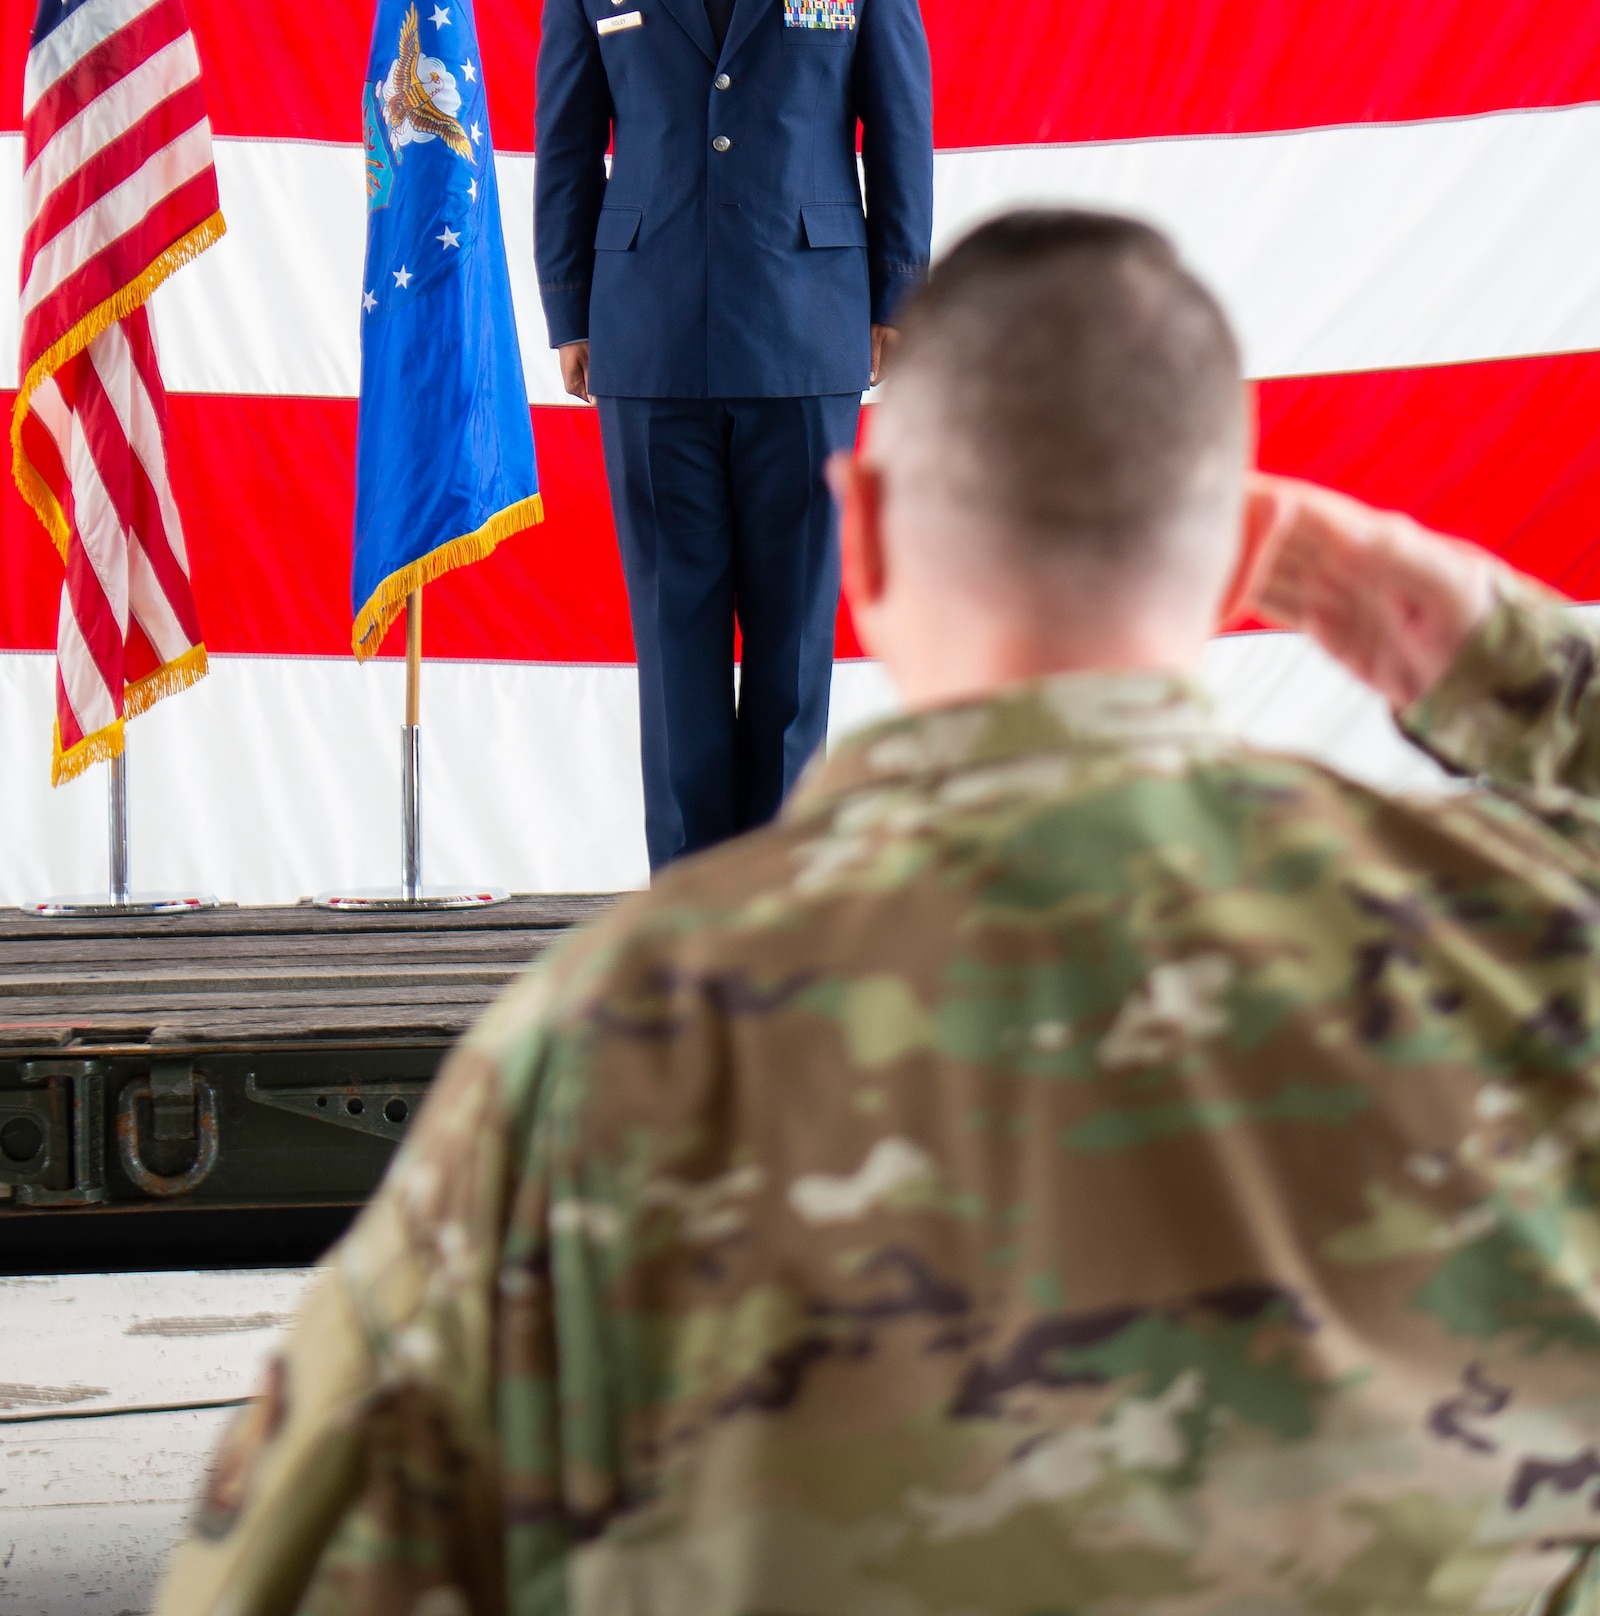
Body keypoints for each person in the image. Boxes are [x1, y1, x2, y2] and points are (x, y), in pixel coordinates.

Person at [159, 208, 1600, 1616]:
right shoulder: (1528, 952)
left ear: (860, 530)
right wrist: (1489, 653)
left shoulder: (604, 1053)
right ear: (1230, 554)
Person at [532, 0, 934, 872]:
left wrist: (896, 297)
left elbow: (899, 137)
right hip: (647, 345)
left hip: (807, 342)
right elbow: (565, 150)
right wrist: (571, 312)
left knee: (797, 647)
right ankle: (692, 913)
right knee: (678, 641)